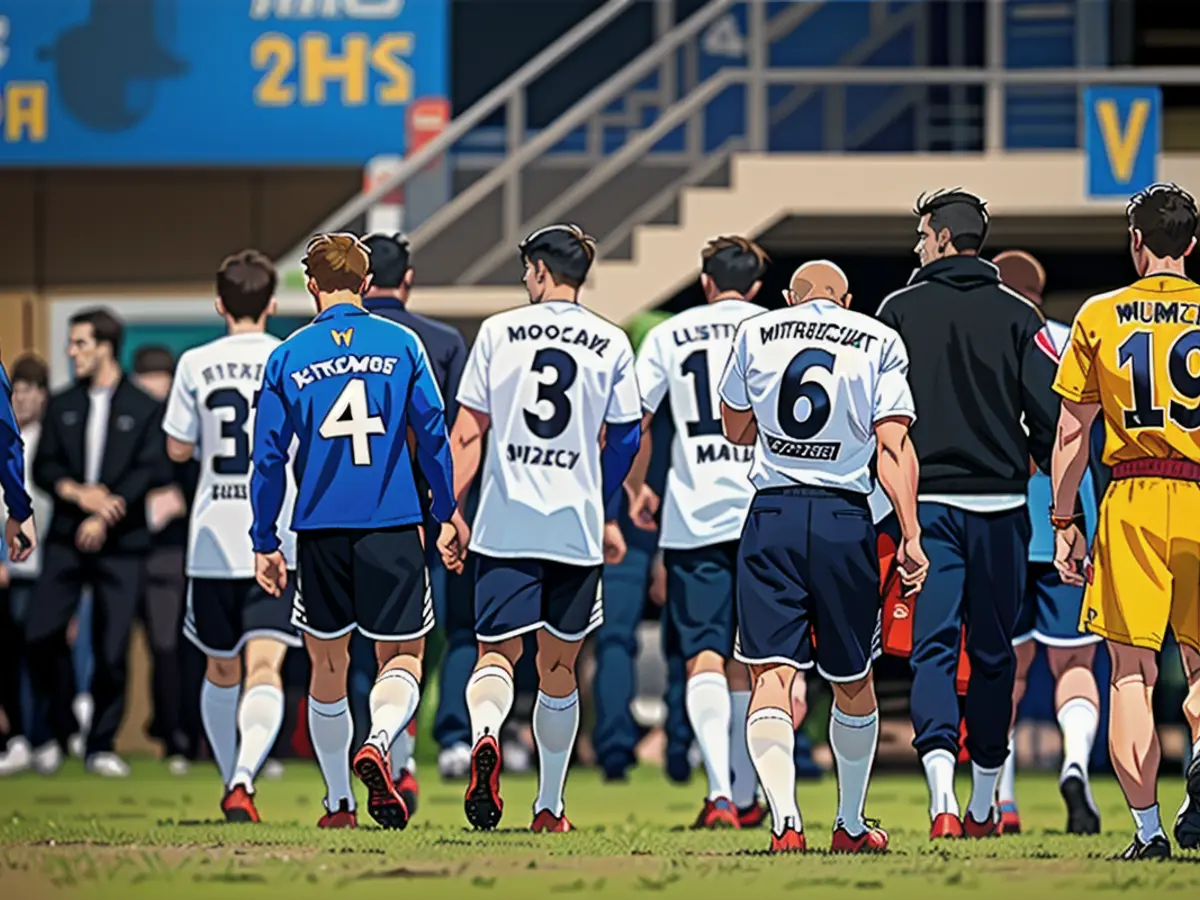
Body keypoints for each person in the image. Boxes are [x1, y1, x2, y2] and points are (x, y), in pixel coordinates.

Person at [250, 233, 463, 831]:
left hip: (318, 527)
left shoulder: (288, 355)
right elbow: (434, 434)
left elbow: (267, 457)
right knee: (404, 658)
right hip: (392, 523)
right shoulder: (402, 343)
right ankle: (380, 740)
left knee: (328, 667)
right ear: (367, 284)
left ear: (311, 285)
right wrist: (444, 513)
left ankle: (339, 801)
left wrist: (264, 539)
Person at [717, 260, 926, 854]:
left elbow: (734, 427)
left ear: (789, 297)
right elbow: (893, 445)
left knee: (771, 673)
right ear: (848, 299)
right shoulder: (880, 338)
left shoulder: (757, 331)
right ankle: (851, 823)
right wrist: (910, 533)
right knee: (852, 677)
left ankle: (784, 820)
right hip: (843, 516)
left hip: (772, 512)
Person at [876, 191, 1060, 840]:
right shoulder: (1021, 314)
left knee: (930, 649)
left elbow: (884, 419)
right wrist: (1038, 465)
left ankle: (939, 803)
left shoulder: (896, 310)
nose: (918, 245)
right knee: (992, 652)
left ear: (947, 239)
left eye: (924, 235)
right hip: (1002, 508)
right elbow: (1051, 415)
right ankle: (984, 801)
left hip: (925, 509)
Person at [448, 224, 641, 832]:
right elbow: (628, 435)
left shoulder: (497, 332)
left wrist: (451, 510)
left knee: (495, 656)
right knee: (558, 669)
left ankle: (485, 734)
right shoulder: (610, 341)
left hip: (505, 522)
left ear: (537, 270)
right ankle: (550, 805)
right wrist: (603, 499)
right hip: (574, 526)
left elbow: (467, 431)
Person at [1050, 183, 1200, 860]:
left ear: (1137, 242)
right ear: (1192, 245)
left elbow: (1071, 432)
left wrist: (1063, 519)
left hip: (1136, 495)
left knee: (1131, 673)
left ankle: (1148, 833)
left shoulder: (1100, 315)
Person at [624, 236, 769, 828]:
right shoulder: (776, 328)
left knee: (703, 656)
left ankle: (716, 792)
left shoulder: (668, 334)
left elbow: (638, 418)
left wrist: (636, 486)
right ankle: (745, 790)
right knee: (758, 662)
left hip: (694, 514)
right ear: (756, 287)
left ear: (705, 282)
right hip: (767, 512)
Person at [164, 251, 303, 821]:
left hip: (212, 539)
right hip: (274, 535)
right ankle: (244, 774)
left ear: (220, 303)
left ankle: (231, 777)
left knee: (220, 668)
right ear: (272, 303)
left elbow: (177, 446)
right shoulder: (289, 358)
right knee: (265, 666)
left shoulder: (195, 363)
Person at [25, 308, 166, 778]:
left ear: (105, 347)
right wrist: (78, 495)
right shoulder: (63, 404)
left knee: (111, 647)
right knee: (39, 631)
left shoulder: (144, 407)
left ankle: (100, 744)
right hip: (67, 538)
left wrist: (107, 511)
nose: (72, 352)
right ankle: (60, 725)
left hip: (123, 544)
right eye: (72, 343)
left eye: (81, 343)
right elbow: (44, 468)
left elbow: (151, 470)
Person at [991, 250, 1102, 836]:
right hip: (1069, 518)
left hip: (1000, 522)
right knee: (1077, 662)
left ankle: (1000, 799)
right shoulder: (1070, 339)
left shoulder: (984, 335)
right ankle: (1076, 764)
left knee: (1004, 670)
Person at [360, 231, 469, 796]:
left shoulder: (328, 341)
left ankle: (374, 737)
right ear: (408, 279)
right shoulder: (443, 341)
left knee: (362, 641)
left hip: (354, 508)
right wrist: (451, 509)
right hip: (429, 508)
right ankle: (451, 740)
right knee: (453, 632)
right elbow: (451, 435)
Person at [131, 346, 198, 774]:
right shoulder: (133, 417)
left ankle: (181, 735)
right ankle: (169, 730)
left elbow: (196, 475)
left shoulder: (182, 421)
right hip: (134, 546)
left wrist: (182, 501)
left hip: (175, 550)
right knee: (156, 647)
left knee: (175, 646)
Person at [0, 355, 50, 776]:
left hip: (39, 569)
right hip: (12, 562)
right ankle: (18, 735)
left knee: (40, 651)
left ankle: (43, 735)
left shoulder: (50, 440)